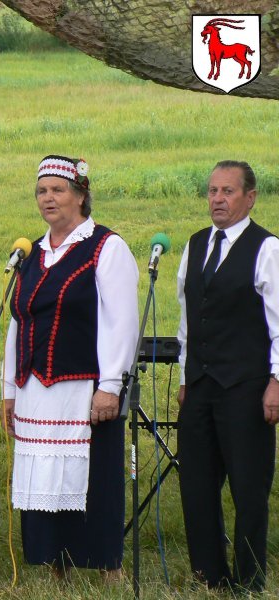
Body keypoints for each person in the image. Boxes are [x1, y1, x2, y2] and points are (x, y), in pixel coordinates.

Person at [1, 156, 138, 579]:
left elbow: (122, 321)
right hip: (34, 387)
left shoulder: (105, 246)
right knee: (44, 477)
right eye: (42, 191)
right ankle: (54, 564)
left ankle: (105, 568)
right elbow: (16, 320)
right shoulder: (30, 253)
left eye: (58, 189)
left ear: (81, 195)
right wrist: (9, 388)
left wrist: (110, 384)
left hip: (83, 385)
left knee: (93, 477)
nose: (48, 198)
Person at [176, 160, 279, 592]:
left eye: (228, 192)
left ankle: (251, 577)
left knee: (248, 487)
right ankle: (209, 574)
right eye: (213, 191)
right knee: (196, 484)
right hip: (200, 384)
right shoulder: (196, 243)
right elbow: (187, 315)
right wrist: (184, 376)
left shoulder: (267, 248)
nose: (217, 199)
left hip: (246, 385)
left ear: (250, 197)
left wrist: (277, 382)